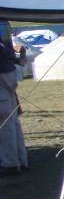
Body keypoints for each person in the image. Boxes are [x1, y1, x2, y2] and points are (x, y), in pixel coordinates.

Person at [0, 23, 28, 175]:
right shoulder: (5, 22)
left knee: (5, 122)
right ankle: (21, 160)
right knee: (12, 120)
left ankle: (9, 163)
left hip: (2, 73)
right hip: (9, 70)